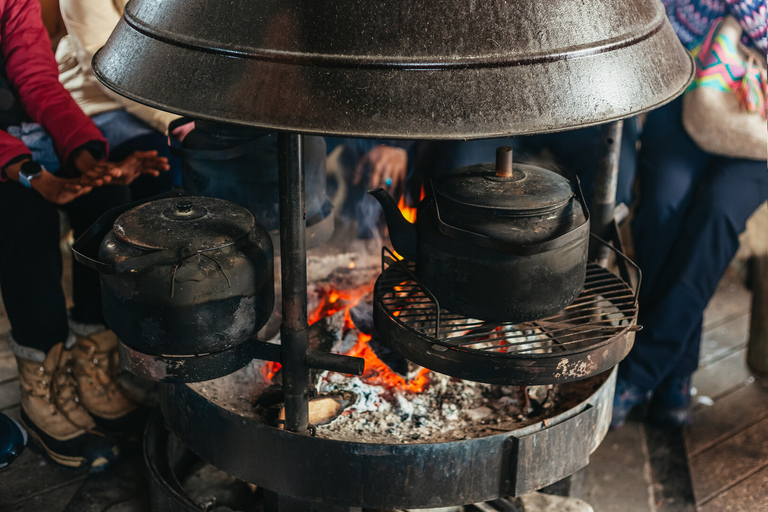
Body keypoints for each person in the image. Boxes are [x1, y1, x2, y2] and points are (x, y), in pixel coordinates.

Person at [0, 0, 168, 469]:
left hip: (23, 136)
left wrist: (87, 161)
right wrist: (34, 175)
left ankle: (94, 363)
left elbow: (38, 81)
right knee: (25, 219)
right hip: (5, 156)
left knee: (104, 201)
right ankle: (41, 386)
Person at [611, 0, 767, 428]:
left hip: (757, 122)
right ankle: (676, 373)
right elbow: (654, 20)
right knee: (662, 208)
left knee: (715, 215)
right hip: (681, 96)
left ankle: (641, 371)